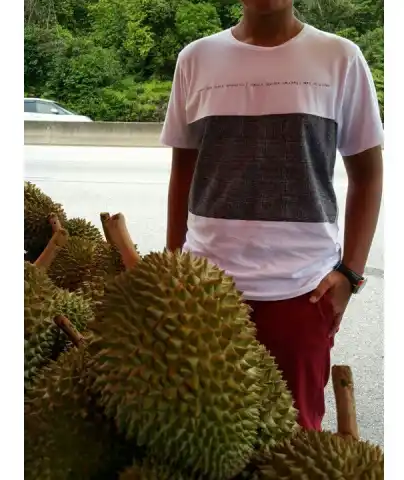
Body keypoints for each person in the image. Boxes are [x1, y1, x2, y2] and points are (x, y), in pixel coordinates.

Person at [160, 0, 383, 431]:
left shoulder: (339, 58)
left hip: (301, 293)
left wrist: (350, 275)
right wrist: (172, 271)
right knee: (202, 437)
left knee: (292, 443)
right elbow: (182, 174)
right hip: (204, 292)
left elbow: (368, 175)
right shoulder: (196, 59)